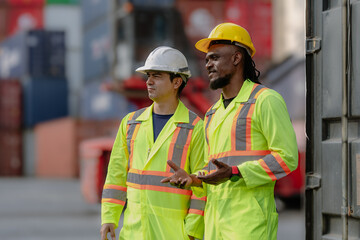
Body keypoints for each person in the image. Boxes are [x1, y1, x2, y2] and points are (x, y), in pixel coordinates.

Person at [161, 23, 299, 239]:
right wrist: (195, 179)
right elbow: (214, 170)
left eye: (214, 57)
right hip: (215, 224)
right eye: (206, 60)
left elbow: (287, 158)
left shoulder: (265, 100)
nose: (208, 65)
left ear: (236, 58)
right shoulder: (212, 114)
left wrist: (236, 172)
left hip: (250, 224)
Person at [100, 46, 206, 240]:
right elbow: (116, 175)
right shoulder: (131, 123)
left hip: (173, 235)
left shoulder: (195, 127)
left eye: (156, 76)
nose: (148, 81)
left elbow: (202, 185)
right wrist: (109, 216)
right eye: (148, 76)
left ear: (176, 82)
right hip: (134, 233)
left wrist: (192, 231)